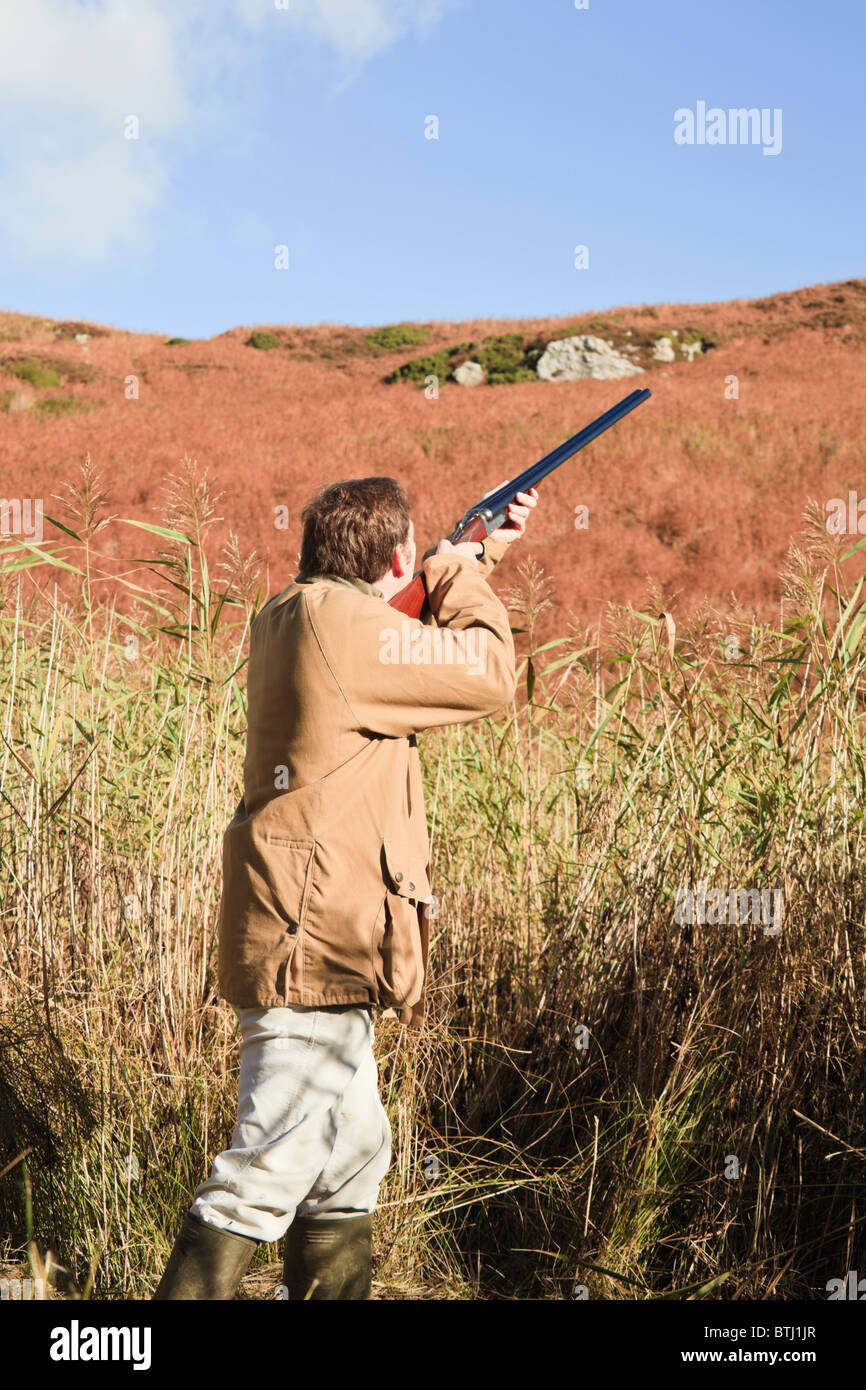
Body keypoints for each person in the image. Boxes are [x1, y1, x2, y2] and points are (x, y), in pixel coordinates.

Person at [153, 475, 537, 1299]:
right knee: (265, 1167)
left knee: (350, 1155)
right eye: (411, 559)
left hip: (311, 924)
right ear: (396, 555)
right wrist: (456, 573)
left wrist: (474, 553)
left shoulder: (297, 613)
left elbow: (393, 646)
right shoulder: (349, 627)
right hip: (315, 936)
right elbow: (486, 672)